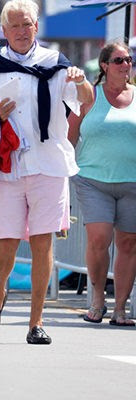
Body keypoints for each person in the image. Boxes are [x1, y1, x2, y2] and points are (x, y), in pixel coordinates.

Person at [0, 0, 93, 344]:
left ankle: (35, 322)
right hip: (8, 165)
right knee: (5, 242)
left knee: (43, 243)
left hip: (49, 164)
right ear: (5, 30)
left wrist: (82, 80)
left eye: (28, 24)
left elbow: (85, 100)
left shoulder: (57, 63)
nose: (23, 31)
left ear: (36, 27)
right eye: (16, 25)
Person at [68, 40, 136, 327]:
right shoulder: (89, 97)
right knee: (99, 239)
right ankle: (97, 299)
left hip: (132, 181)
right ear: (105, 66)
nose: (126, 65)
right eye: (119, 60)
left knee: (129, 243)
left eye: (129, 60)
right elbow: (69, 137)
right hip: (93, 180)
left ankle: (120, 309)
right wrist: (62, 175)